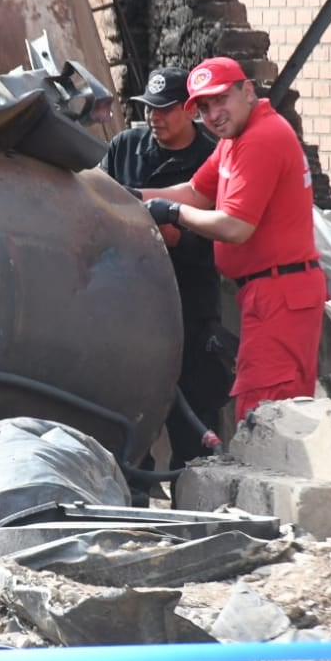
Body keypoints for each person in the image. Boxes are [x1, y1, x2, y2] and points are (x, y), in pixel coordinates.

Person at [140, 57, 326, 421]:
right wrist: (130, 197)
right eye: (205, 107)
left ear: (248, 91)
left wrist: (172, 213)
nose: (213, 114)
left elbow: (235, 227)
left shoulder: (260, 139)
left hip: (279, 295)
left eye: (221, 99)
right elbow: (195, 191)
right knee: (283, 418)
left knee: (265, 417)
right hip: (274, 292)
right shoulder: (236, 138)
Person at [101, 67, 230, 466]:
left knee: (193, 423)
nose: (154, 117)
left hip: (188, 307)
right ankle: (135, 501)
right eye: (148, 109)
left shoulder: (210, 159)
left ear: (190, 111)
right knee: (127, 416)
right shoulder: (125, 147)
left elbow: (209, 232)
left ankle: (195, 505)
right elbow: (99, 203)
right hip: (130, 307)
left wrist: (165, 224)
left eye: (165, 109)